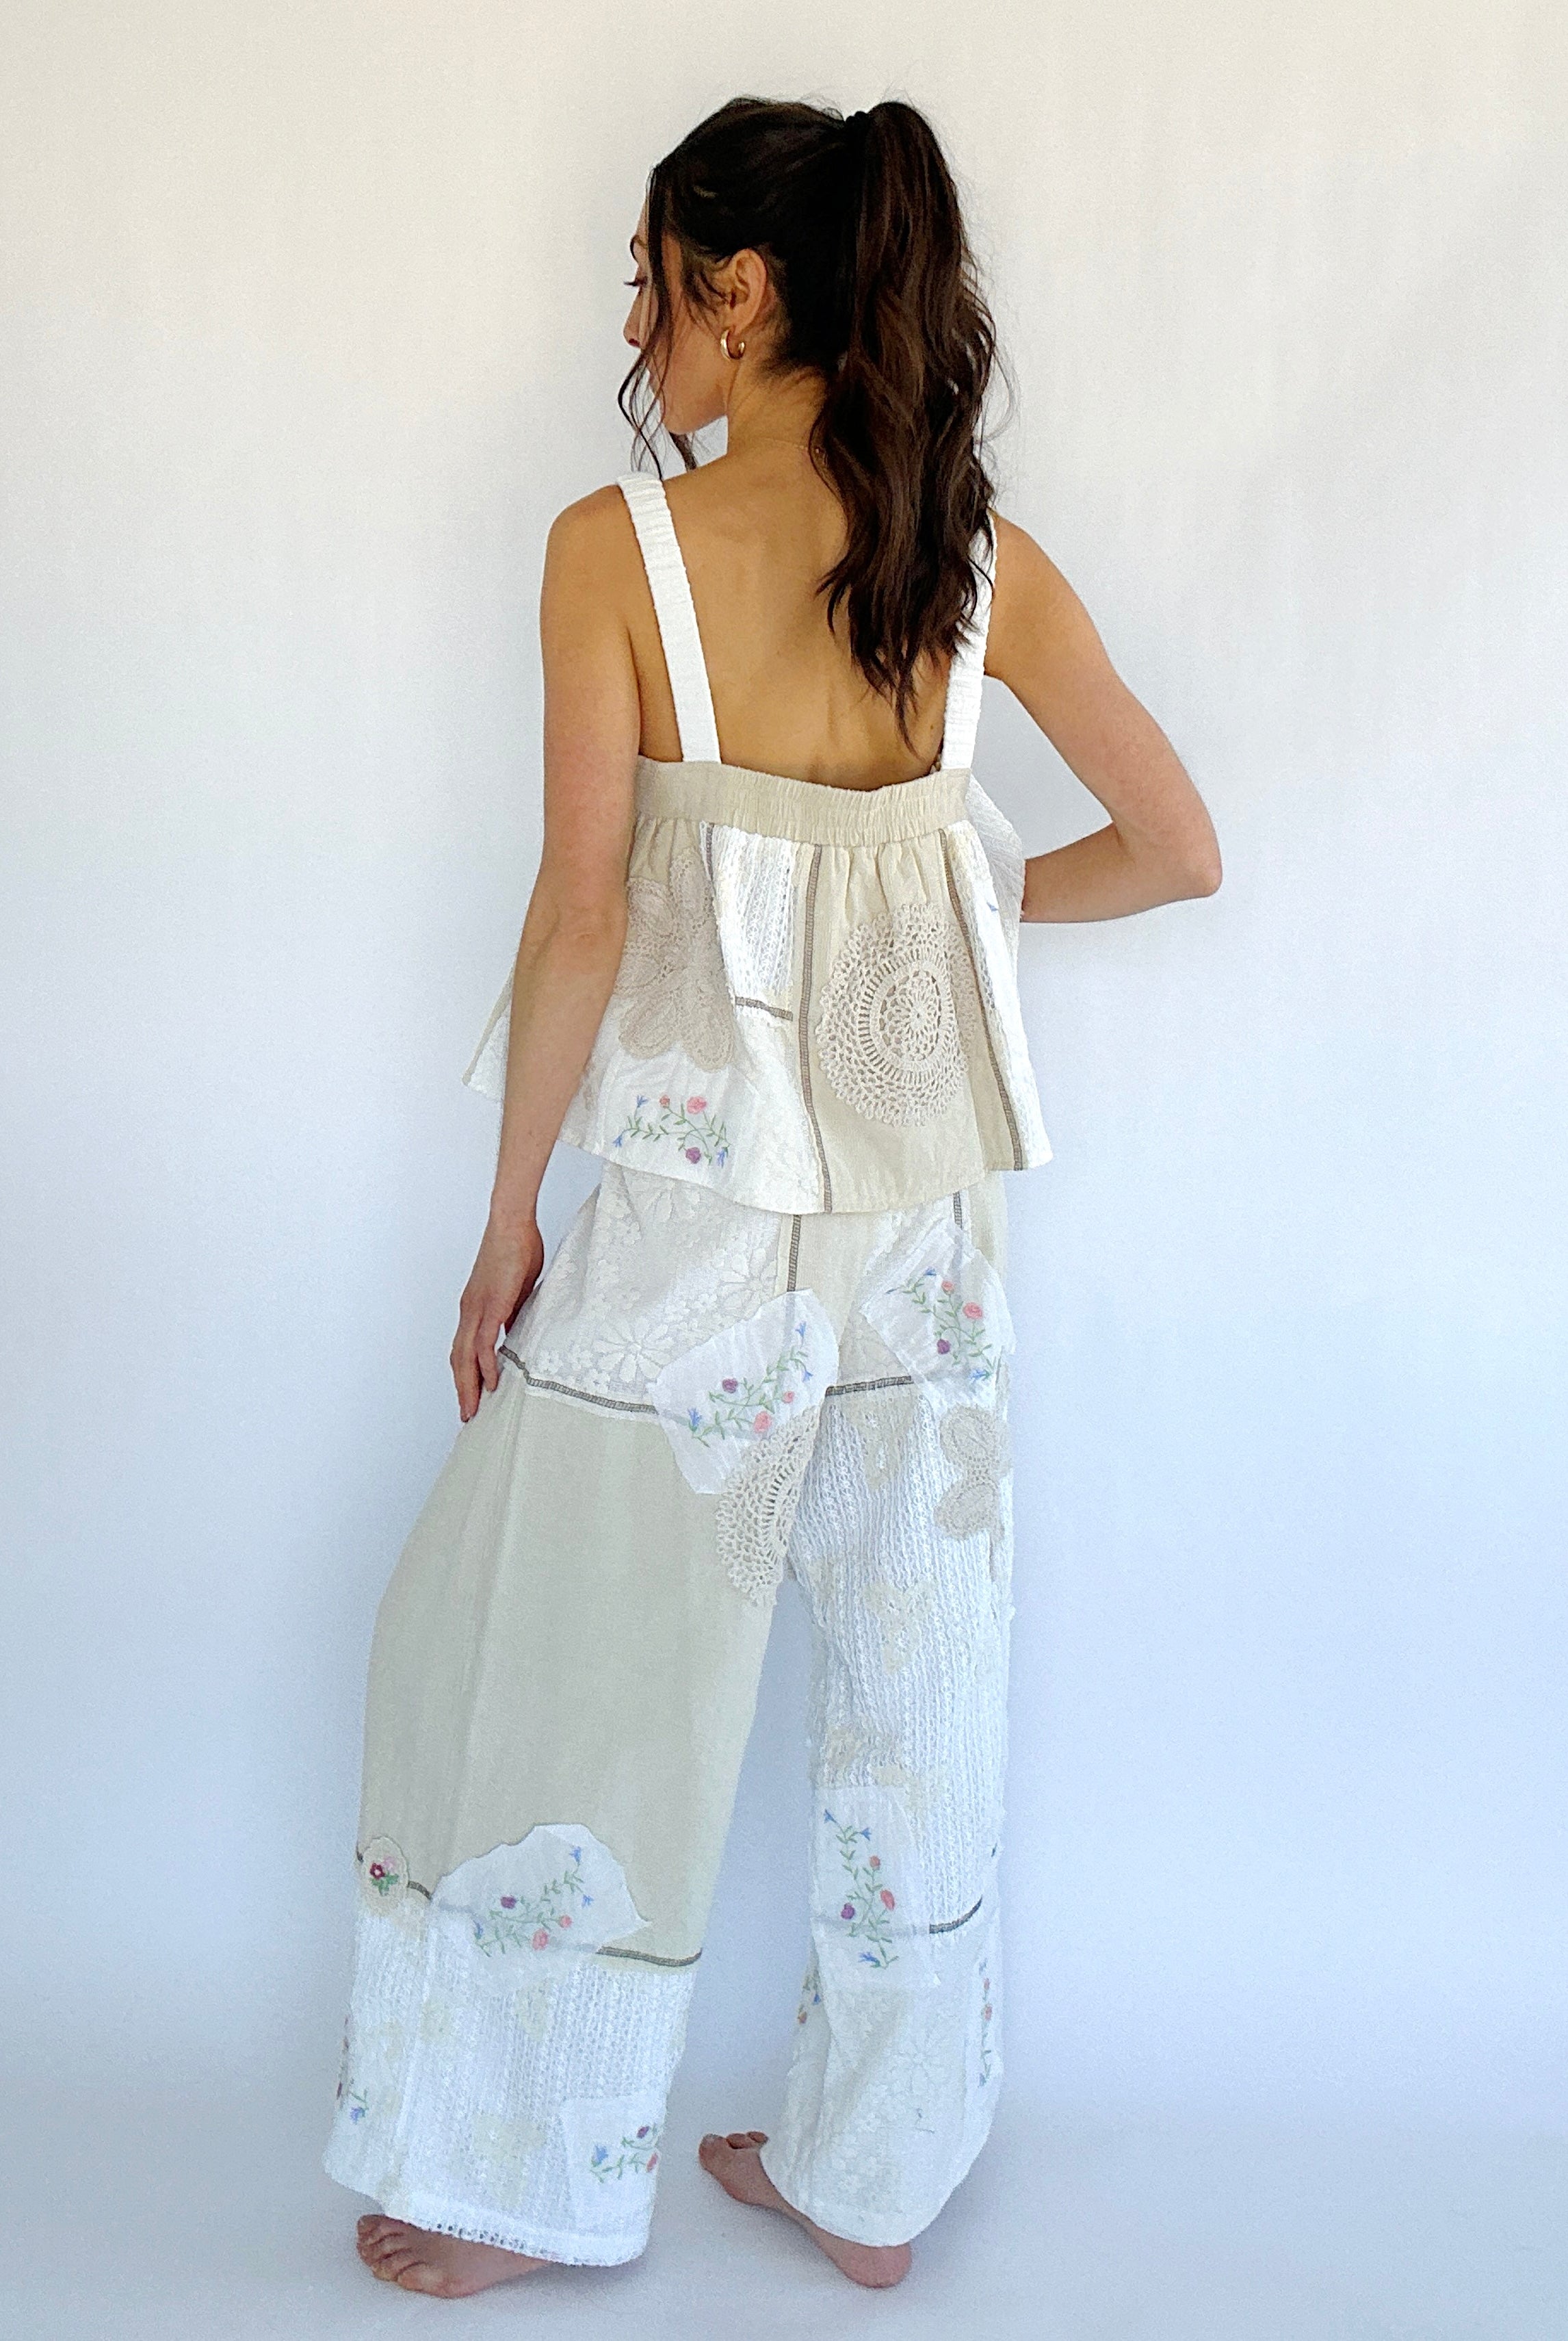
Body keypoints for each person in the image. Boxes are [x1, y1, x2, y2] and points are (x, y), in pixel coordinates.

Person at [328, 93, 1220, 2299]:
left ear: (736, 288)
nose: (634, 323)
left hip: (685, 1221)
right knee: (921, 1690)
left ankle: (526, 2185)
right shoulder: (976, 560)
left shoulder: (613, 549)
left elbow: (578, 913)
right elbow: (1173, 848)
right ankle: (871, 2180)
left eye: (647, 278)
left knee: (576, 1664)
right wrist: (949, 908)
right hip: (925, 1228)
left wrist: (505, 1219)